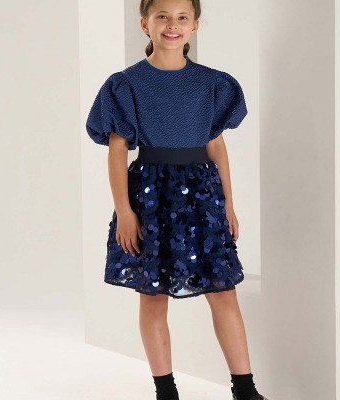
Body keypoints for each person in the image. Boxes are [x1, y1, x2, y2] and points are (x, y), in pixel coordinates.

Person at [85, 1, 268, 399]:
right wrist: (124, 212)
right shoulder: (125, 85)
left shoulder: (212, 84)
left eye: (182, 17)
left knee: (223, 291)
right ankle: (166, 392)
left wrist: (229, 204)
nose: (173, 25)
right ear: (145, 24)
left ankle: (246, 391)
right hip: (151, 197)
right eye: (162, 16)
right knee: (153, 296)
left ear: (195, 25)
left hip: (203, 196)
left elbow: (216, 146)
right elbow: (117, 152)